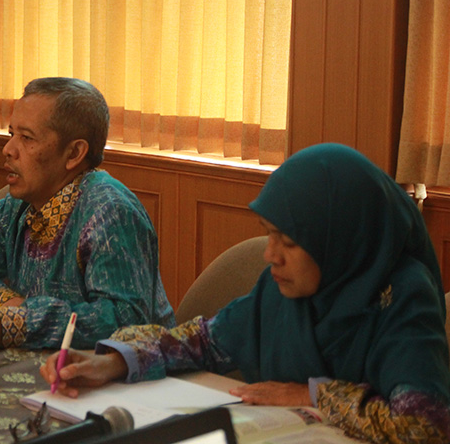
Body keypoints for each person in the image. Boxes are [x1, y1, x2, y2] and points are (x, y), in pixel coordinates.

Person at [42, 143, 450, 444]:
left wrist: (312, 394)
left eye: (288, 242)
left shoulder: (403, 297)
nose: (271, 256)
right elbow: (205, 340)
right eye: (270, 237)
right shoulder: (283, 291)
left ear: (340, 240)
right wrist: (111, 362)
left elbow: (425, 425)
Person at [0, 77, 174, 353]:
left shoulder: (111, 212)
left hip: (130, 379)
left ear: (74, 153)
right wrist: (8, 306)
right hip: (48, 363)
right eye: (11, 134)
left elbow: (122, 322)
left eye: (26, 138)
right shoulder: (20, 203)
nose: (8, 150)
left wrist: (19, 321)